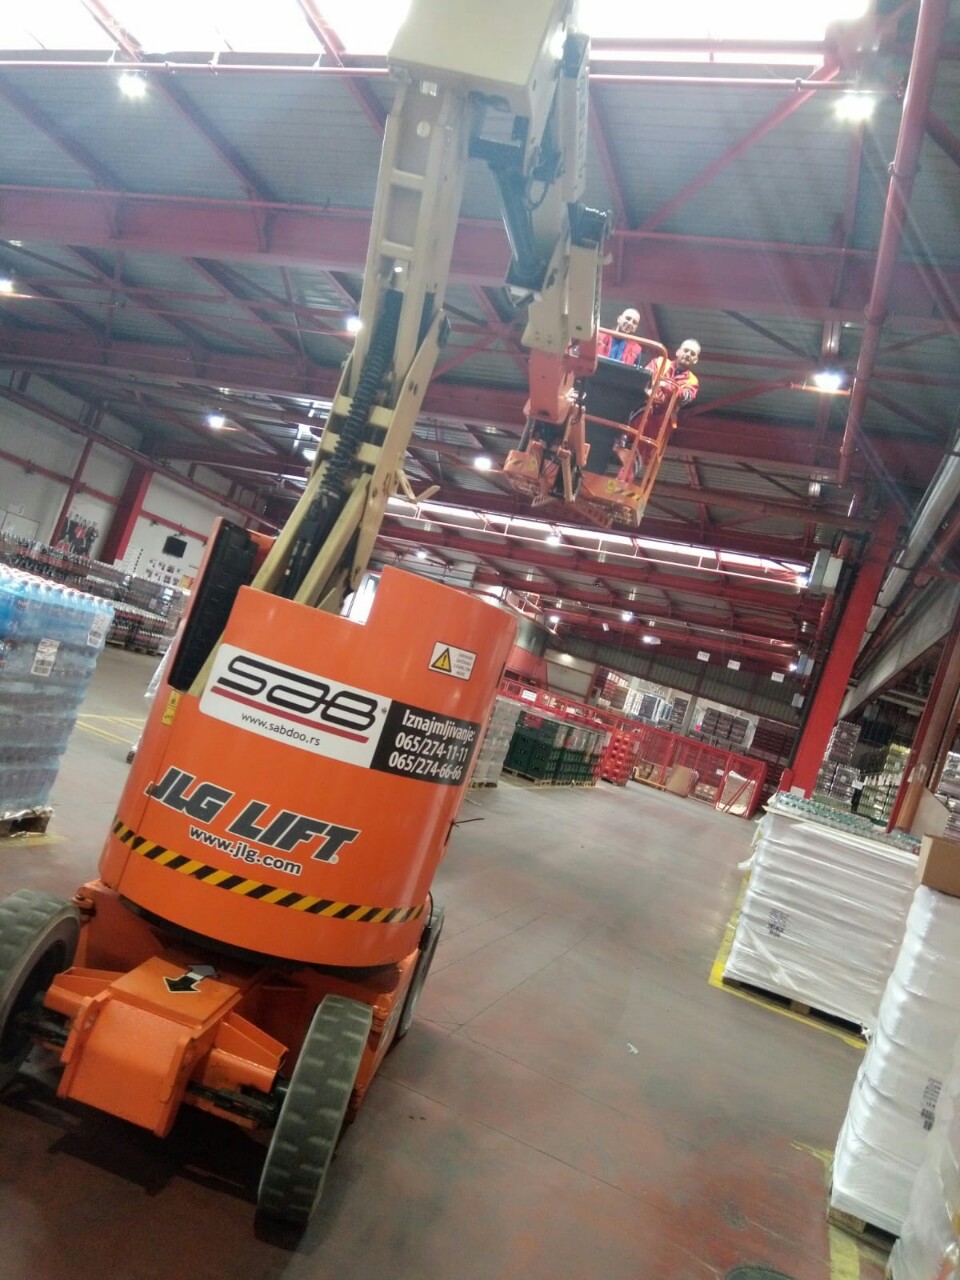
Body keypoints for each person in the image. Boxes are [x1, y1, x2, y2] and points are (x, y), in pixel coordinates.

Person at [646, 339, 701, 412]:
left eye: (692, 354)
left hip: (664, 416)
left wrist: (666, 386)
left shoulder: (693, 381)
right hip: (644, 409)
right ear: (677, 352)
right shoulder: (659, 362)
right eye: (686, 350)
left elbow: (684, 399)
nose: (688, 354)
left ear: (695, 360)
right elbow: (643, 379)